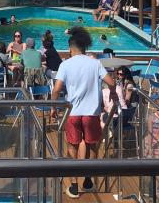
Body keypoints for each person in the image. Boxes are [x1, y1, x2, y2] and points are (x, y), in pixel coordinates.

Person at [51, 27, 115, 198]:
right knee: (91, 145)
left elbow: (56, 90)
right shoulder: (95, 63)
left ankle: (73, 187)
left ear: (71, 48)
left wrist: (53, 107)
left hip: (72, 113)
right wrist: (114, 94)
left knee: (72, 147)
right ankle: (87, 180)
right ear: (84, 47)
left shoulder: (65, 64)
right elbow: (111, 82)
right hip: (91, 114)